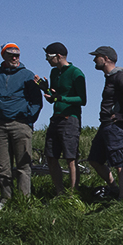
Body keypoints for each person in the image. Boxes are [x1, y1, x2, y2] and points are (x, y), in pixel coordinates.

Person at [0, 43, 43, 211]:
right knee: (3, 165)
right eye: (10, 54)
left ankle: (24, 201)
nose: (15, 57)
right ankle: (5, 199)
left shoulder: (27, 75)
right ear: (3, 55)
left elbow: (36, 100)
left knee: (24, 165)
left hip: (21, 125)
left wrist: (28, 118)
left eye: (17, 54)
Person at [87, 46, 123, 201]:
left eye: (97, 56)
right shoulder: (110, 77)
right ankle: (114, 188)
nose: (94, 59)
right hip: (106, 125)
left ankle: (122, 198)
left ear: (106, 58)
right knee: (94, 159)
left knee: (120, 163)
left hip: (116, 126)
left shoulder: (120, 76)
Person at [37, 42, 86, 195]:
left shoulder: (76, 73)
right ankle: (59, 192)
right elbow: (54, 98)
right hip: (55, 118)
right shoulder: (53, 73)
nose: (47, 59)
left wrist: (60, 98)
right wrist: (45, 89)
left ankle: (73, 193)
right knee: (51, 156)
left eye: (49, 57)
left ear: (58, 56)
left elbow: (82, 100)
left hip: (70, 119)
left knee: (70, 158)